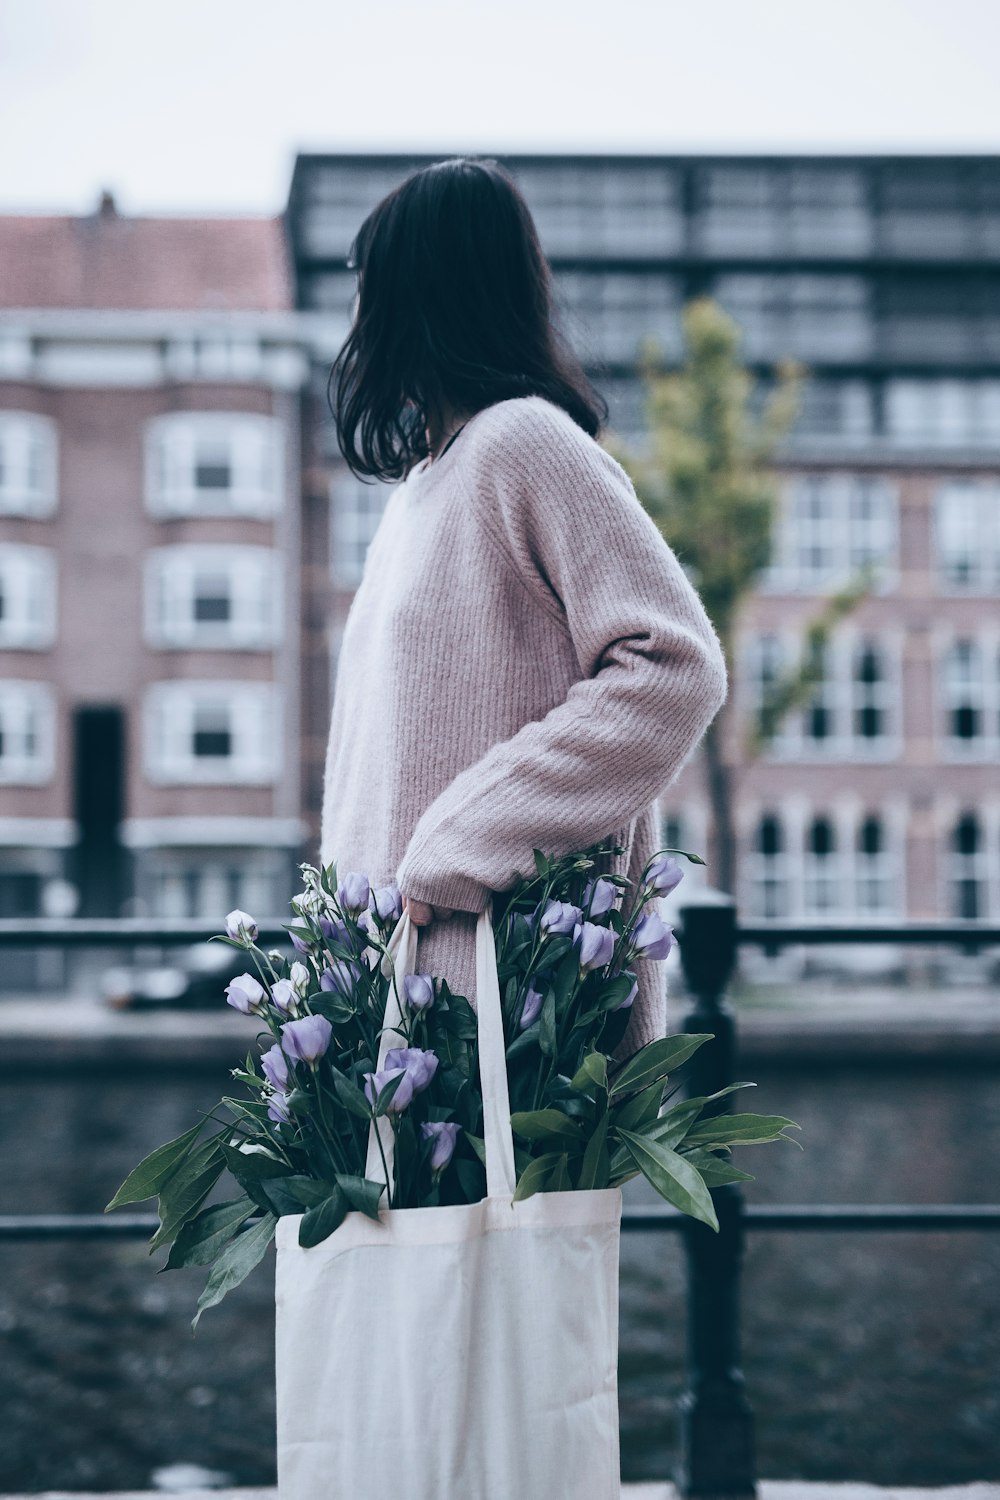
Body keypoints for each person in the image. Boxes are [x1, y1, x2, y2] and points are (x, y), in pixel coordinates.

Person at [322, 156, 727, 1060]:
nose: (354, 312)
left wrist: (461, 844)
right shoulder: (418, 494)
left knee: (492, 1212)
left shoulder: (527, 444)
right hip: (391, 989)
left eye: (367, 281)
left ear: (417, 291)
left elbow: (672, 663)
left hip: (497, 991)